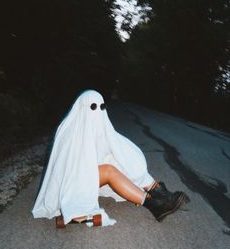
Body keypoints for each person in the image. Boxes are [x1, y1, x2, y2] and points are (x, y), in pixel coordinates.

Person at [32, 89, 189, 226]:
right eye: (93, 107)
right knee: (109, 170)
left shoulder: (96, 124)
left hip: (84, 175)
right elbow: (67, 168)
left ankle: (158, 191)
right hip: (70, 181)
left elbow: (113, 146)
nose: (98, 110)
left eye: (102, 106)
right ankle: (154, 205)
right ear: (81, 107)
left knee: (120, 157)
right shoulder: (69, 130)